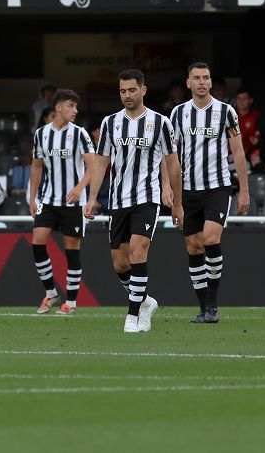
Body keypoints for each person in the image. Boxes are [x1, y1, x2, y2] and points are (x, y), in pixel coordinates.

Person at [85, 69, 182, 333]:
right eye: (122, 91)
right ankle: (146, 301)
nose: (127, 95)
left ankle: (132, 315)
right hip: (117, 200)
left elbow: (173, 164)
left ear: (143, 90)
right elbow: (101, 161)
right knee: (120, 263)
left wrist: (178, 202)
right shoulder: (110, 123)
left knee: (138, 252)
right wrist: (92, 197)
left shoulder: (161, 123)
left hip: (147, 198)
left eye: (131, 90)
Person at [169, 62, 250, 323]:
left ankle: (213, 305)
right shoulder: (178, 114)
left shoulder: (226, 112)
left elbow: (237, 151)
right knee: (193, 247)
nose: (202, 82)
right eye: (197, 78)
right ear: (188, 83)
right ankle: (203, 307)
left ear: (211, 82)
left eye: (206, 77)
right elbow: (169, 157)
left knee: (210, 239)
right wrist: (168, 190)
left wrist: (244, 191)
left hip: (217, 186)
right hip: (188, 190)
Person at [28, 89, 96, 316]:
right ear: (58, 107)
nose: (75, 111)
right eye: (70, 106)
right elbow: (36, 167)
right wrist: (32, 197)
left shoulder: (80, 134)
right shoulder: (41, 134)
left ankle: (71, 303)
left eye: (76, 107)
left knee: (72, 250)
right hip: (48, 199)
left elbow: (93, 165)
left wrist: (79, 188)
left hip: (73, 202)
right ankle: (51, 293)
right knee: (38, 243)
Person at [234, 89, 265, 170]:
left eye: (244, 98)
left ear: (250, 100)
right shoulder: (230, 115)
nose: (241, 101)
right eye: (239, 98)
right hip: (233, 153)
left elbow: (260, 139)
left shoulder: (256, 116)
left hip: (251, 152)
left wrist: (257, 141)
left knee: (259, 163)